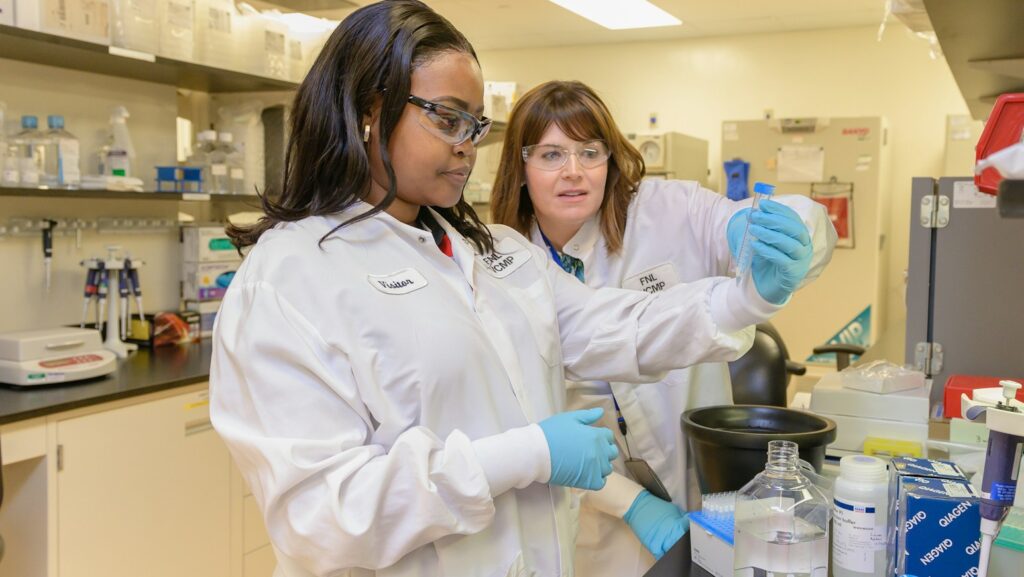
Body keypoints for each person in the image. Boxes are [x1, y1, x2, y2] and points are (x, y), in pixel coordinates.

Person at [210, 3, 800, 576]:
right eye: (446, 117)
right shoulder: (290, 278)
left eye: (474, 123)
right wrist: (523, 457)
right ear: (368, 110)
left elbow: (618, 327)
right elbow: (321, 516)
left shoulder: (494, 253)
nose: (466, 143)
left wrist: (744, 298)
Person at [490, 80, 838, 577]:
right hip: (593, 505)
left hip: (694, 472)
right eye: (550, 155)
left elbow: (772, 218)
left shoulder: (667, 210)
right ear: (519, 169)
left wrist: (788, 233)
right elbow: (523, 423)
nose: (573, 172)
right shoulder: (501, 266)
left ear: (610, 158)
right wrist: (629, 502)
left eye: (590, 152)